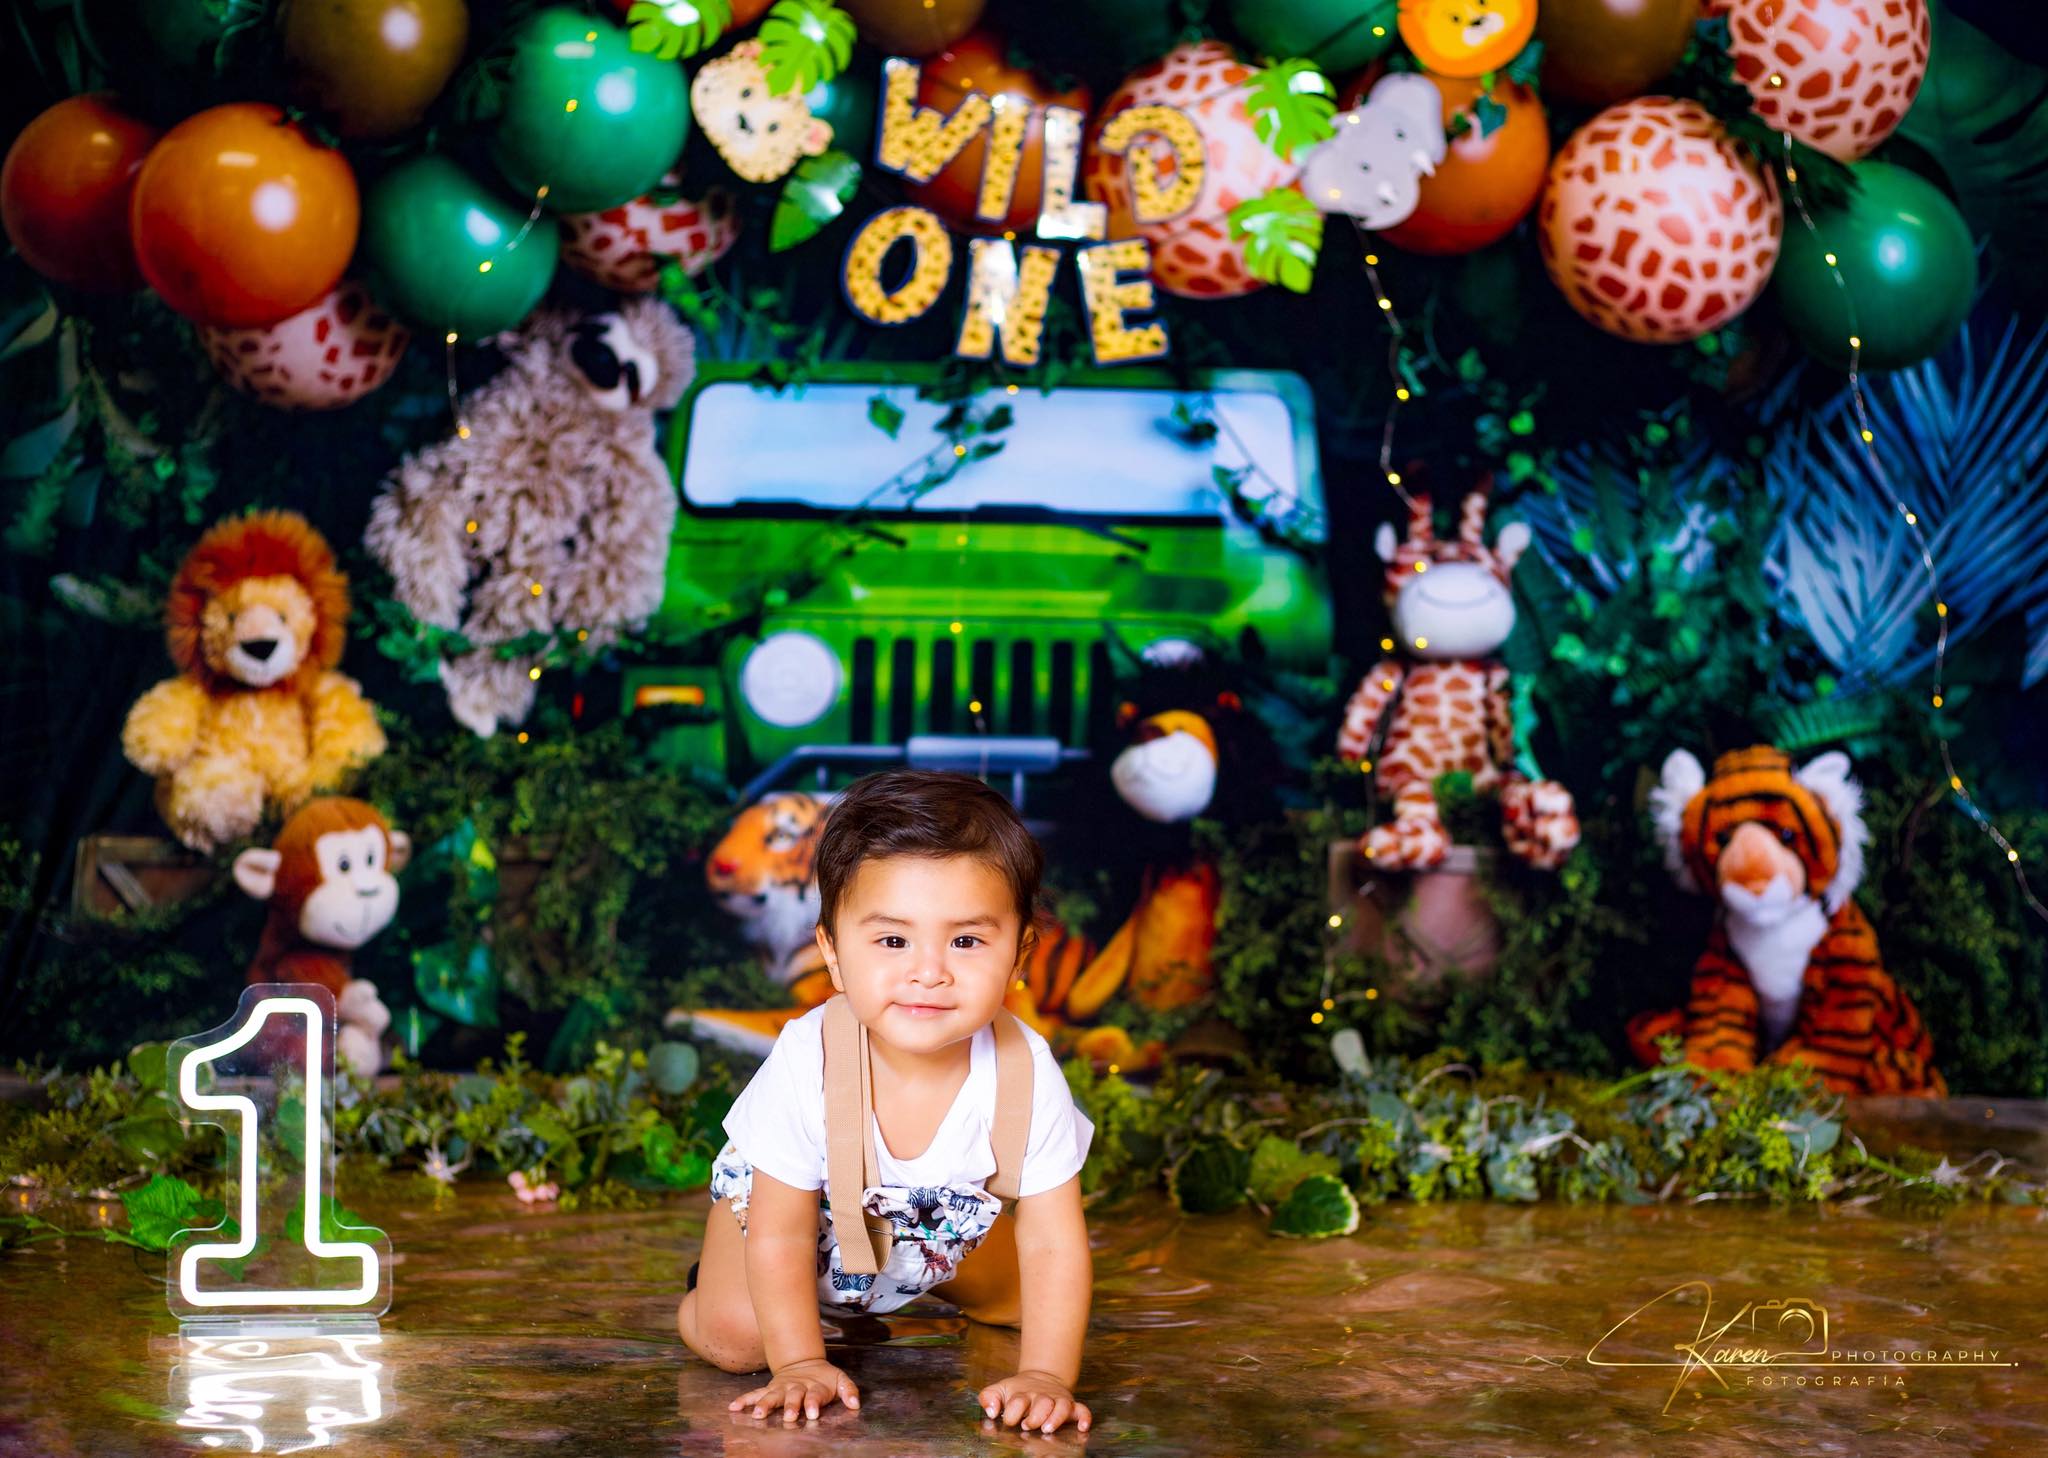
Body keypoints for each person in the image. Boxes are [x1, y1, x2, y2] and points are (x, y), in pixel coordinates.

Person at [676, 768, 1097, 1435]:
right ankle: (715, 1283)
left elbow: (1052, 1242)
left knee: (1031, 1302)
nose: (928, 970)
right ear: (835, 954)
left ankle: (920, 1274)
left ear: (1019, 955)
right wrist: (799, 1364)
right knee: (739, 1338)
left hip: (931, 1230)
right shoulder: (808, 1055)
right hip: (791, 1223)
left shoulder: (1028, 1070)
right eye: (893, 940)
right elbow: (783, 1227)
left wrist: (1047, 1373)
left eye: (966, 940)